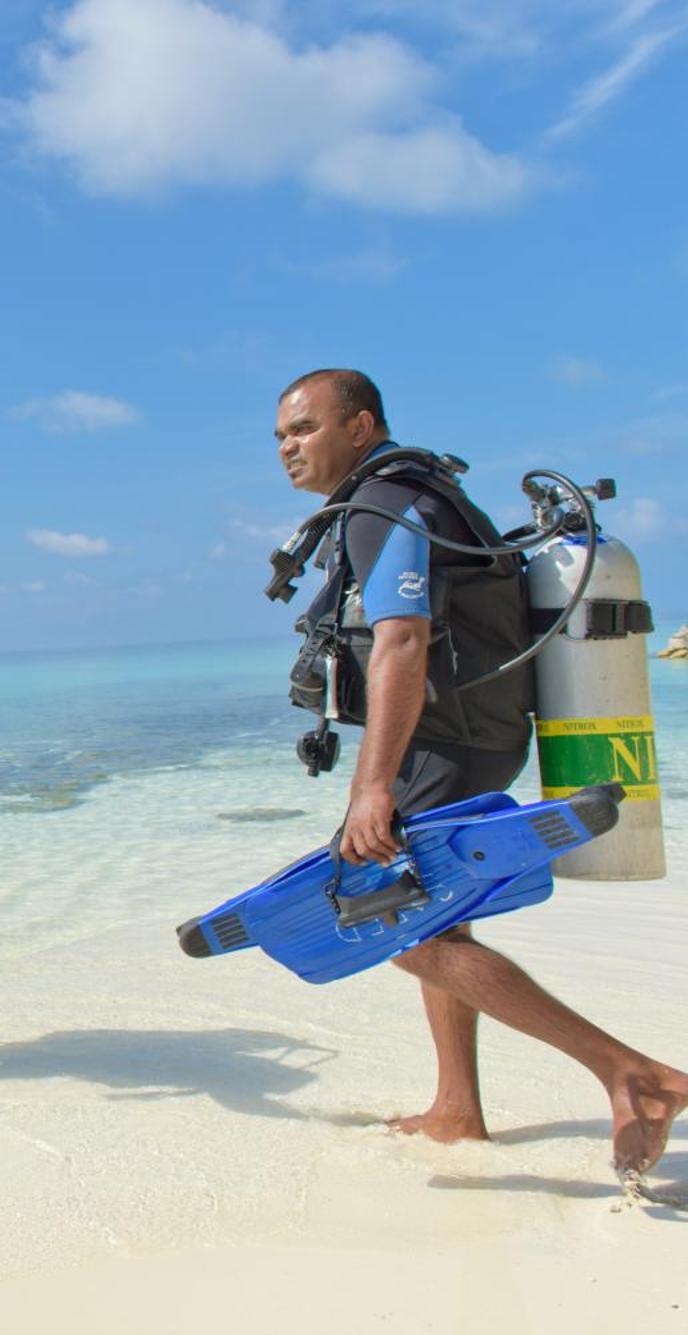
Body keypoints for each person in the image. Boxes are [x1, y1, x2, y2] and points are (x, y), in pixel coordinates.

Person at [273, 368, 687, 1184]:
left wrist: (372, 786)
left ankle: (631, 1074)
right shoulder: (426, 491)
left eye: (306, 429)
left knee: (382, 917)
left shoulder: (382, 503)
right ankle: (457, 1107)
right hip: (483, 733)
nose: (289, 447)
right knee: (437, 923)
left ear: (359, 427)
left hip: (444, 742)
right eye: (281, 436)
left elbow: (402, 640)